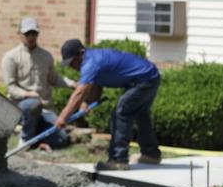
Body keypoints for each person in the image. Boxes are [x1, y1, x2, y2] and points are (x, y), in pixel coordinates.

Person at [55, 39, 161, 171]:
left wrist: (63, 117)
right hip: (149, 76)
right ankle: (151, 154)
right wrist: (87, 103)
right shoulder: (92, 58)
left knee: (121, 112)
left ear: (81, 53)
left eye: (73, 62)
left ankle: (118, 160)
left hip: (143, 80)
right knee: (140, 114)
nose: (72, 66)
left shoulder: (90, 62)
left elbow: (79, 93)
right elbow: (96, 85)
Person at [2, 17, 74, 150]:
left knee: (62, 139)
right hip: (21, 107)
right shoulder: (11, 57)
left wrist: (73, 84)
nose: (31, 37)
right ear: (20, 34)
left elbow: (54, 79)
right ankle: (25, 139)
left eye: (34, 33)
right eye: (27, 34)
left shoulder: (46, 56)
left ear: (38, 34)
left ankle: (36, 140)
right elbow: (10, 87)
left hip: (45, 109)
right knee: (33, 103)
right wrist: (26, 94)